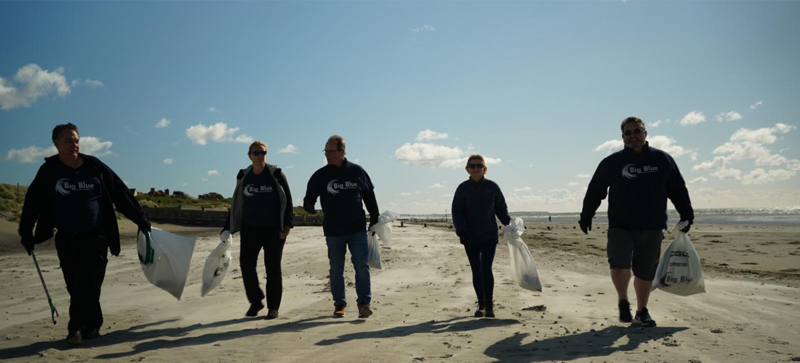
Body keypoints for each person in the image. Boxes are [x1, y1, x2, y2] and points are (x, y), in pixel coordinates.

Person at [18, 123, 152, 346]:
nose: (74, 144)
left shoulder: (95, 167)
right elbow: (32, 202)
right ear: (56, 144)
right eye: (69, 140)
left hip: (96, 236)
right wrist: (26, 232)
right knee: (75, 284)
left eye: (77, 140)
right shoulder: (50, 171)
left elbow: (120, 193)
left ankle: (75, 328)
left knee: (88, 281)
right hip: (66, 237)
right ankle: (92, 325)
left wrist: (140, 219)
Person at [579, 117, 694, 328]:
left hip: (652, 225)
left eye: (637, 131)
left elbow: (677, 189)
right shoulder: (612, 162)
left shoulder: (662, 160)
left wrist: (687, 214)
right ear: (622, 137)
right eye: (628, 133)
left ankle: (642, 311)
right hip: (620, 225)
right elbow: (595, 190)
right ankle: (623, 301)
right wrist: (586, 214)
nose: (633, 136)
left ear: (645, 133)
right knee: (619, 264)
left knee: (645, 271)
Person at [303, 135, 379, 319]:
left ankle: (363, 304)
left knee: (361, 265)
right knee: (336, 269)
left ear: (342, 152)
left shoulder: (357, 171)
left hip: (357, 228)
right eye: (326, 151)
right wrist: (309, 206)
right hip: (333, 230)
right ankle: (340, 304)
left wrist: (375, 217)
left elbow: (369, 195)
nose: (327, 154)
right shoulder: (320, 175)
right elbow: (309, 197)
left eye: (331, 151)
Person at [221, 141, 294, 319]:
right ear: (250, 156)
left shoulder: (275, 173)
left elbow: (288, 200)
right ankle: (256, 300)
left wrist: (288, 224)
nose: (260, 156)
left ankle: (273, 307)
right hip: (250, 228)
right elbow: (237, 202)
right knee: (246, 265)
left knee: (273, 268)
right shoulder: (244, 176)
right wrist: (227, 228)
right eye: (256, 153)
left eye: (263, 153)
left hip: (273, 230)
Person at [451, 154, 511, 318]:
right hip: (469, 236)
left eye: (479, 166)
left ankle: (490, 304)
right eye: (472, 166)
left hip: (489, 235)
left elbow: (501, 209)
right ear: (467, 169)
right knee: (476, 270)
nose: (476, 168)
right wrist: (461, 232)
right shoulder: (462, 188)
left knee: (486, 268)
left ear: (485, 169)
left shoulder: (492, 187)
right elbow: (456, 212)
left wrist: (511, 225)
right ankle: (481, 304)